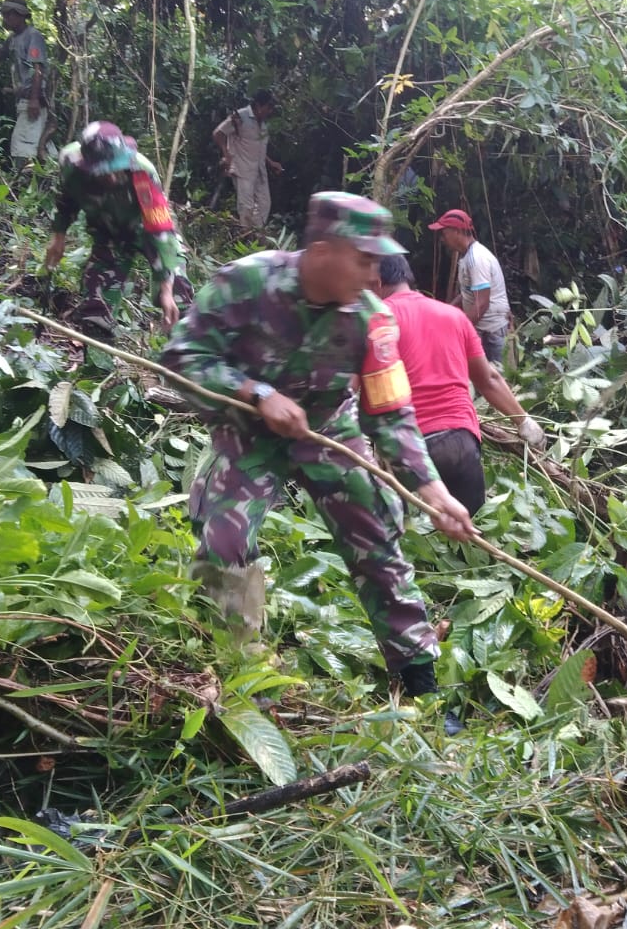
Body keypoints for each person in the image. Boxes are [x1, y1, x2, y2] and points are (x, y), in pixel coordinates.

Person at [161, 192, 475, 696]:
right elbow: (181, 357)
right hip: (248, 432)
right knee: (224, 540)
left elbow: (391, 416)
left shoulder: (373, 319)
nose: (374, 275)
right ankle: (241, 667)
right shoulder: (246, 281)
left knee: (376, 530)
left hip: (330, 429)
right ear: (324, 251)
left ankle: (418, 678)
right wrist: (257, 393)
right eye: (364, 260)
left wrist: (435, 493)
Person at [376, 254, 545, 514]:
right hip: (461, 441)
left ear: (376, 282)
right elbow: (488, 379)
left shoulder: (377, 320)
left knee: (404, 531)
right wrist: (524, 422)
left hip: (408, 447)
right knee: (471, 527)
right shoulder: (453, 316)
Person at [44, 121, 182, 334]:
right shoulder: (71, 164)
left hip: (147, 231)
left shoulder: (141, 172)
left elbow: (160, 230)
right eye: (102, 172)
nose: (111, 176)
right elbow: (67, 200)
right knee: (96, 308)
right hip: (109, 236)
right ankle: (98, 351)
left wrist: (166, 287)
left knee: (179, 297)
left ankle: (180, 350)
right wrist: (58, 235)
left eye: (115, 168)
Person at [428, 209, 512, 364]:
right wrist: (446, 311)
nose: (442, 239)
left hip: (491, 333)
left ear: (457, 231)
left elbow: (482, 303)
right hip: (486, 330)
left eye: (444, 233)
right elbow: (468, 293)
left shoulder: (476, 259)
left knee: (497, 375)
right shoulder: (467, 257)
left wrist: (459, 329)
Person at [0, 0, 51, 163]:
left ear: (20, 15)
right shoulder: (12, 38)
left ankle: (25, 178)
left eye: (8, 15)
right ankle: (53, 175)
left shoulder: (33, 36)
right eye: (4, 15)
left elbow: (37, 69)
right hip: (23, 100)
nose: (5, 19)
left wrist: (34, 99)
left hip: (32, 100)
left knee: (21, 146)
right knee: (37, 144)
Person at [213, 89, 282, 230]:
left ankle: (253, 232)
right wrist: (226, 154)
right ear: (258, 105)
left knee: (264, 204)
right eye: (268, 107)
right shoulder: (240, 117)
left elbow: (256, 147)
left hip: (259, 171)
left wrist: (271, 163)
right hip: (242, 169)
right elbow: (218, 133)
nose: (270, 111)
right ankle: (247, 234)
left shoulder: (263, 124)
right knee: (246, 207)